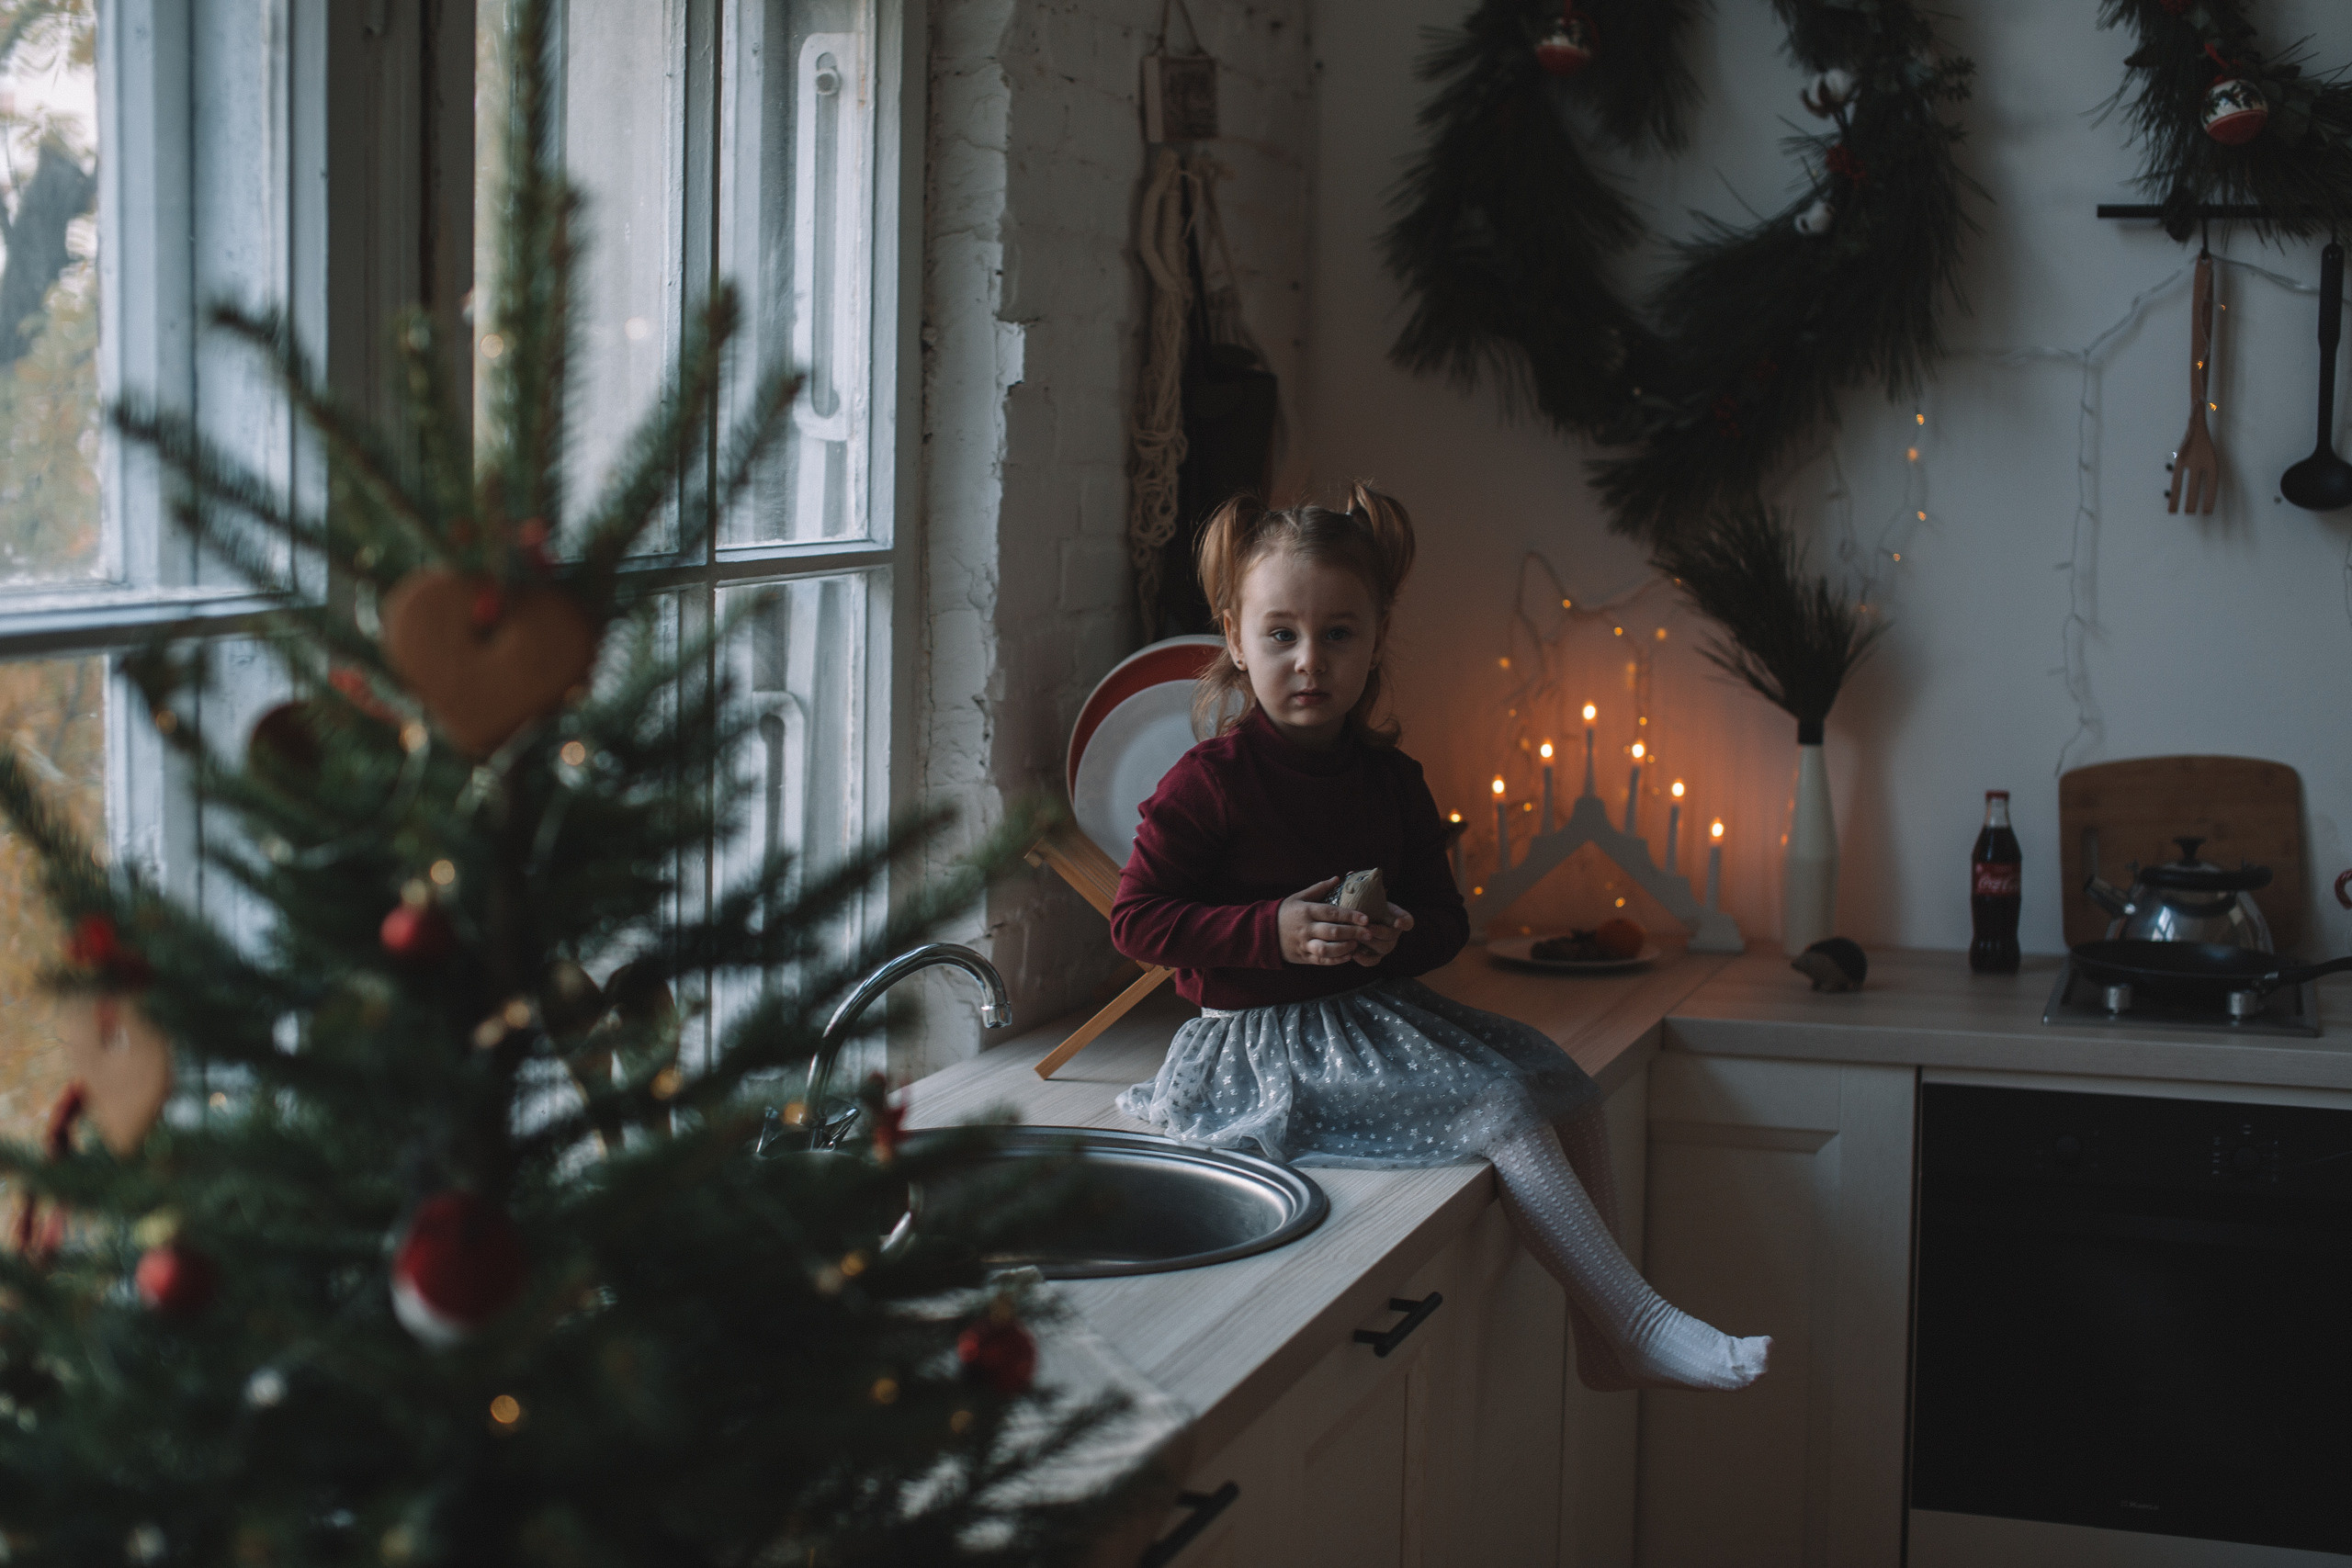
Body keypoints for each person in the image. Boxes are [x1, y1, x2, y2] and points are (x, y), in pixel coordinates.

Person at [1108, 486, 1769, 1393]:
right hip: (1258, 1050)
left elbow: (1447, 922)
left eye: (1338, 634)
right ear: (1234, 637)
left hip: (1372, 1016)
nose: (1309, 661)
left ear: (1377, 638)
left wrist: (1396, 935)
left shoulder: (1391, 782)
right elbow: (1137, 921)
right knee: (1497, 1103)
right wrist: (1273, 932)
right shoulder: (1208, 784)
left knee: (1560, 1084)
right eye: (1281, 635)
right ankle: (1640, 1323)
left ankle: (1606, 1336)